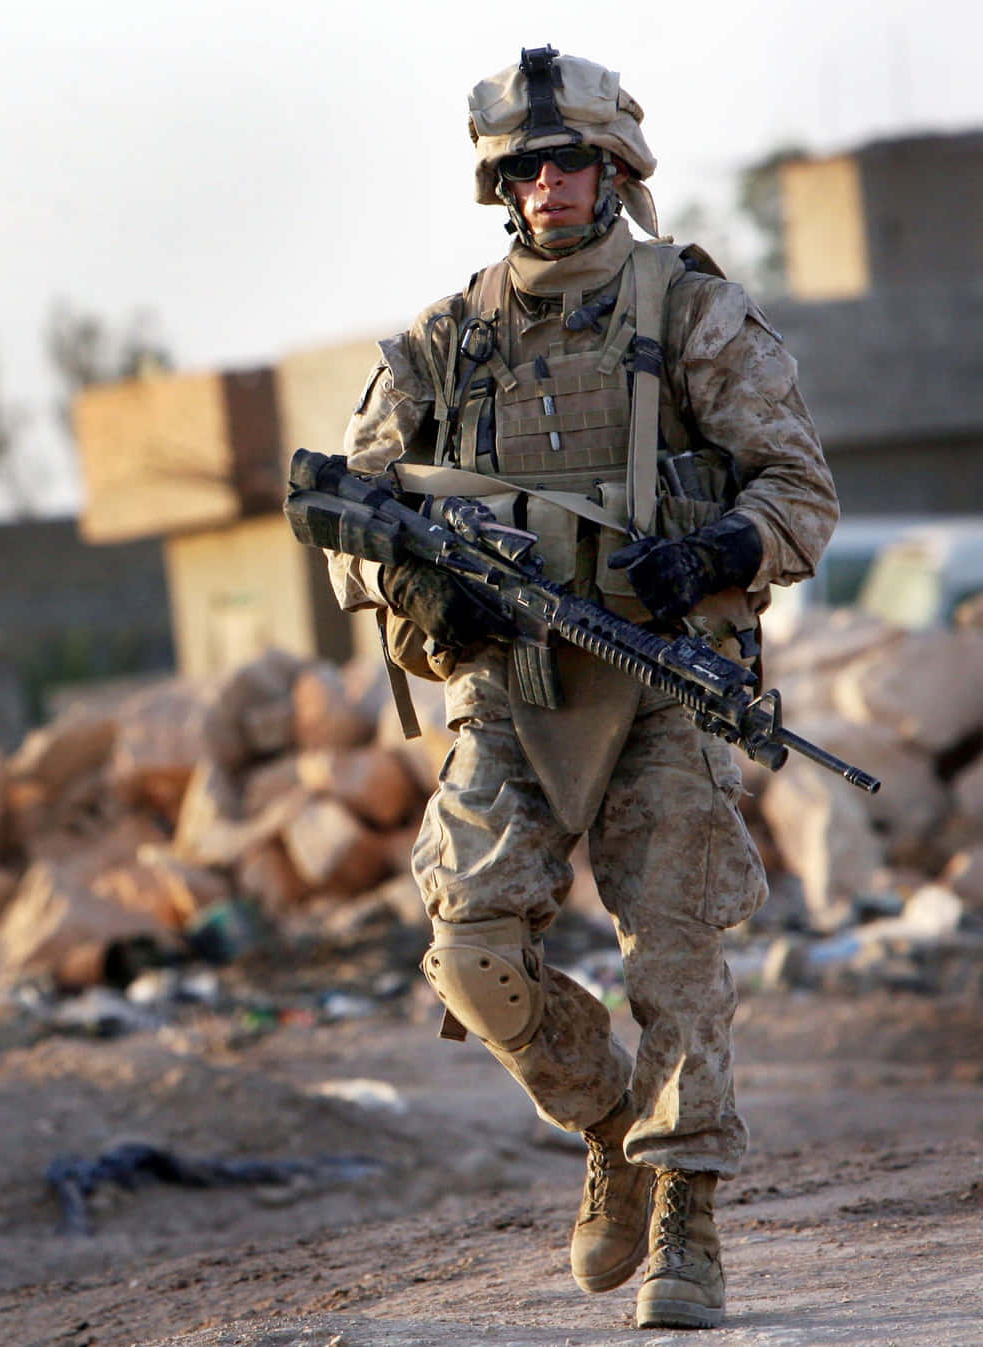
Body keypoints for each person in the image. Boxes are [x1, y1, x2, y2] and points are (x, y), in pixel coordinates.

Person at [325, 48, 837, 1330]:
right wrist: (416, 590)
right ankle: (611, 1123)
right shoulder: (448, 341)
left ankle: (688, 1226)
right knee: (473, 957)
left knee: (675, 957)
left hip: (663, 680)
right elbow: (350, 513)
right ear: (500, 184)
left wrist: (712, 553)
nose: (550, 183)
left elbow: (800, 492)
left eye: (572, 161)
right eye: (525, 166)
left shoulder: (691, 313)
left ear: (618, 170)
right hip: (511, 686)